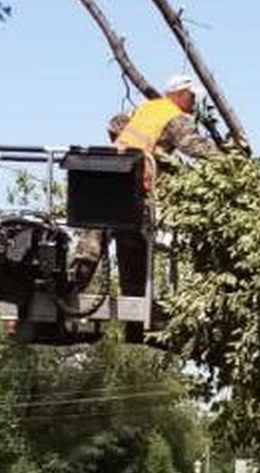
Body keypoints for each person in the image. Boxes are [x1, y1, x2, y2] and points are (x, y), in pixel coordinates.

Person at [70, 74, 220, 343]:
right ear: (179, 94)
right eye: (192, 95)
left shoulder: (145, 108)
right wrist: (227, 160)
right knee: (133, 248)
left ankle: (67, 295)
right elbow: (193, 146)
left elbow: (115, 124)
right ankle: (134, 326)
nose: (195, 100)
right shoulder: (174, 116)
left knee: (92, 242)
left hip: (110, 172)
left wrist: (137, 149)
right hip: (135, 182)